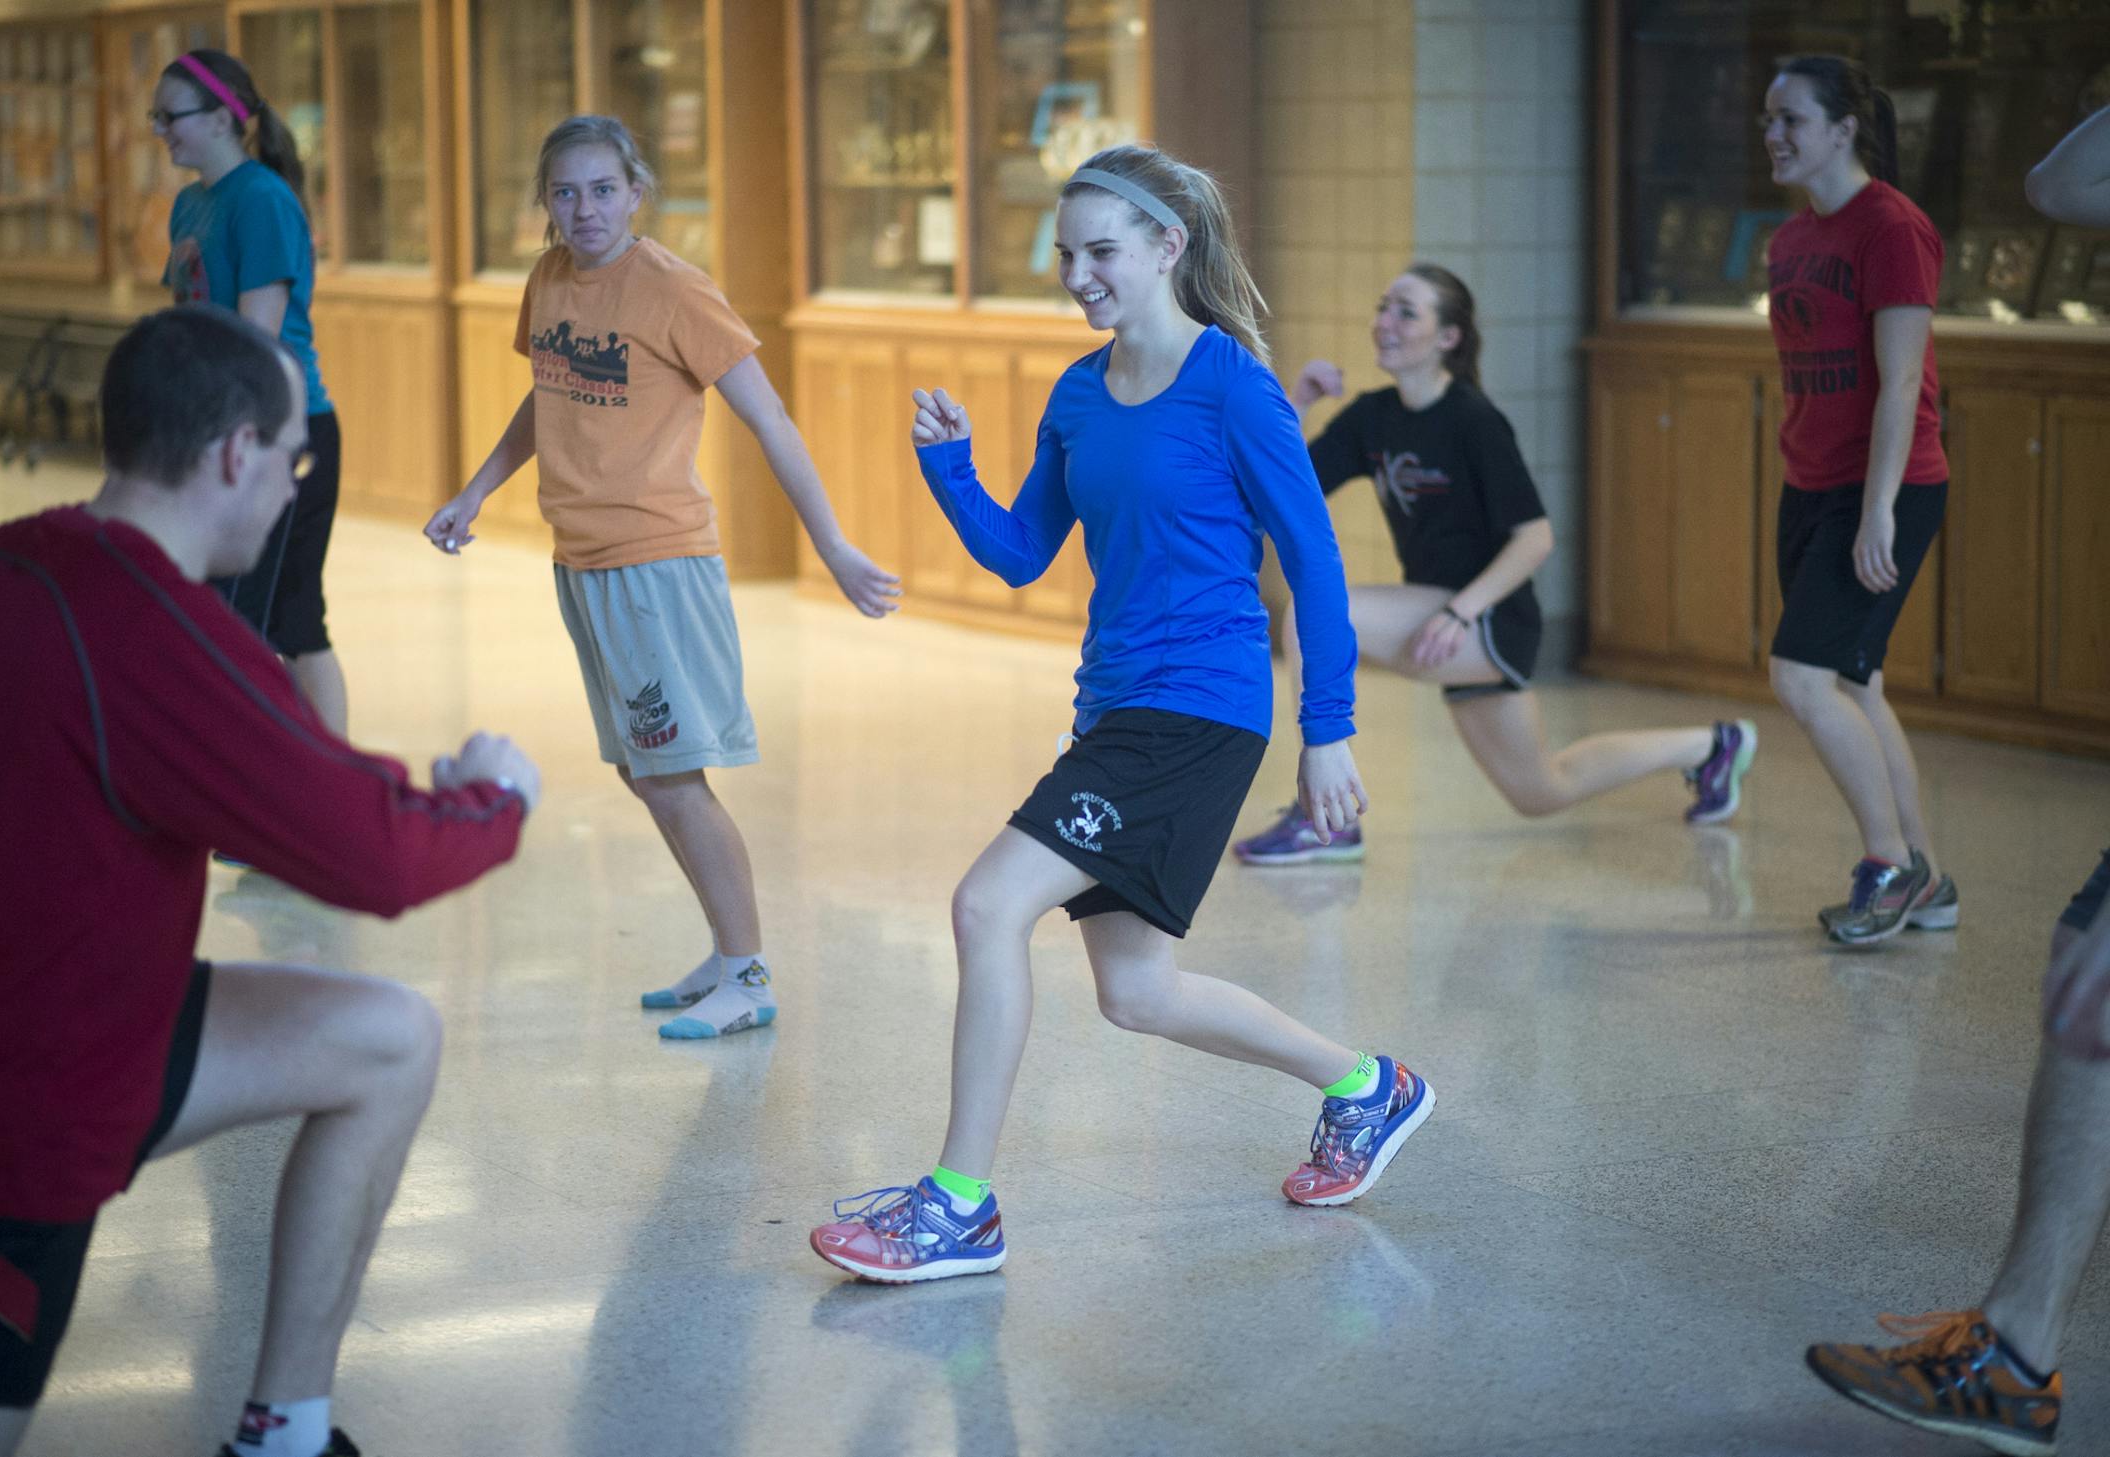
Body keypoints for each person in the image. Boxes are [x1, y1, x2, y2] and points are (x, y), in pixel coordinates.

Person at [807, 144, 1432, 1285]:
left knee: (987, 902)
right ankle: (1367, 1085)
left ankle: (959, 1202)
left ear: (1165, 246)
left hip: (1199, 709)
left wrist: (1326, 727)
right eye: (1066, 253)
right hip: (1116, 708)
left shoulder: (1234, 385)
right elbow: (1020, 550)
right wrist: (950, 469)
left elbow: (1317, 561)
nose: (1078, 273)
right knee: (1136, 992)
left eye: (1101, 249)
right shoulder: (1080, 392)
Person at [0, 305, 539, 1457]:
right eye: (289, 459)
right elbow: (375, 852)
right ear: (234, 455)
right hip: (18, 1103)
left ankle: (285, 1428)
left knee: (387, 1036)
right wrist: (496, 795)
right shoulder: (162, 631)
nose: (288, 490)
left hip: (88, 1004)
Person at [425, 115, 899, 1039]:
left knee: (675, 774)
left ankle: (751, 972)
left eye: (603, 189)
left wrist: (834, 546)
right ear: (545, 202)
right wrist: (476, 491)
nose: (585, 208)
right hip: (583, 560)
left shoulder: (675, 290)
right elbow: (546, 395)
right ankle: (727, 952)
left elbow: (771, 422)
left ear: (636, 191)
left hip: (659, 564)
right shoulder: (550, 278)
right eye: (565, 192)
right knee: (648, 774)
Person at [1803, 105, 2110, 1457]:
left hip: (1880, 482)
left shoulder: (1892, 228)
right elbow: (2061, 176)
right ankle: (2018, 1352)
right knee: (2086, 972)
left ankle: (2019, 1350)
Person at [1230, 264, 1756, 866]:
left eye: (1406, 312)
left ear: (1448, 337)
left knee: (1311, 616)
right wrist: (1297, 400)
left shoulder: (1473, 420)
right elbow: (1282, 487)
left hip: (1490, 618)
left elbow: (1535, 538)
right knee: (1541, 790)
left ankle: (1325, 813)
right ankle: (1711, 745)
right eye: (1384, 307)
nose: (1385, 323)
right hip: (1443, 616)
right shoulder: (1373, 418)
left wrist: (1460, 612)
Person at [1758, 55, 1955, 947]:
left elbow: (1903, 380)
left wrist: (1876, 511)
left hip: (1885, 487)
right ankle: (1931, 878)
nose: (1773, 135)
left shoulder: (1894, 228)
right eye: (1769, 120)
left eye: (1791, 119)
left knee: (1801, 674)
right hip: (1810, 487)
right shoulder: (1791, 239)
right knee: (1852, 680)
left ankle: (1890, 866)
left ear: (1844, 128)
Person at [157, 48, 348, 738]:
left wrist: (218, 446)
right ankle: (324, 797)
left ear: (218, 118)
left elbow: (256, 344)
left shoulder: (263, 200)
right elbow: (188, 321)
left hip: (278, 432)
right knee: (284, 618)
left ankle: (311, 795)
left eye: (170, 116)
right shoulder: (191, 204)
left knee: (256, 621)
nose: (161, 130)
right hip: (228, 429)